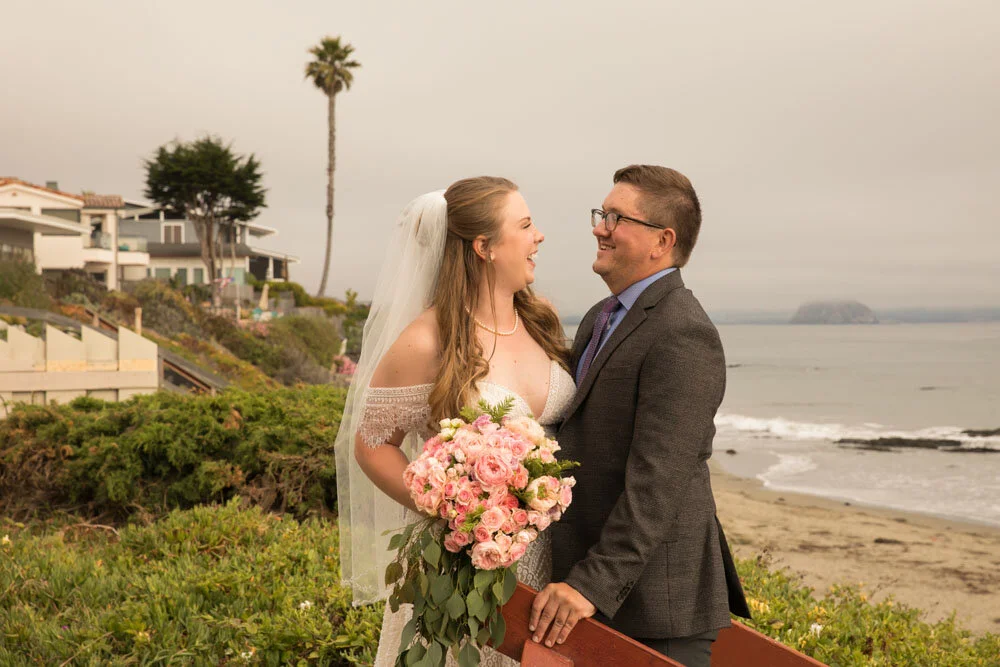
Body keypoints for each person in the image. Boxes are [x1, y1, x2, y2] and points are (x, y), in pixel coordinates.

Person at [333, 177, 576, 667]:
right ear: (484, 246)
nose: (539, 236)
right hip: (462, 563)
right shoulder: (426, 341)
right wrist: (451, 511)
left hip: (551, 560)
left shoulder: (541, 318)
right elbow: (371, 444)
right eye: (525, 225)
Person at [529, 165, 750, 667]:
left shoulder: (683, 332)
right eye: (600, 213)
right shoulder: (599, 317)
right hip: (588, 591)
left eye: (615, 217)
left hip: (654, 610)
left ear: (662, 240)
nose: (598, 227)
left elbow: (658, 483)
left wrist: (590, 584)